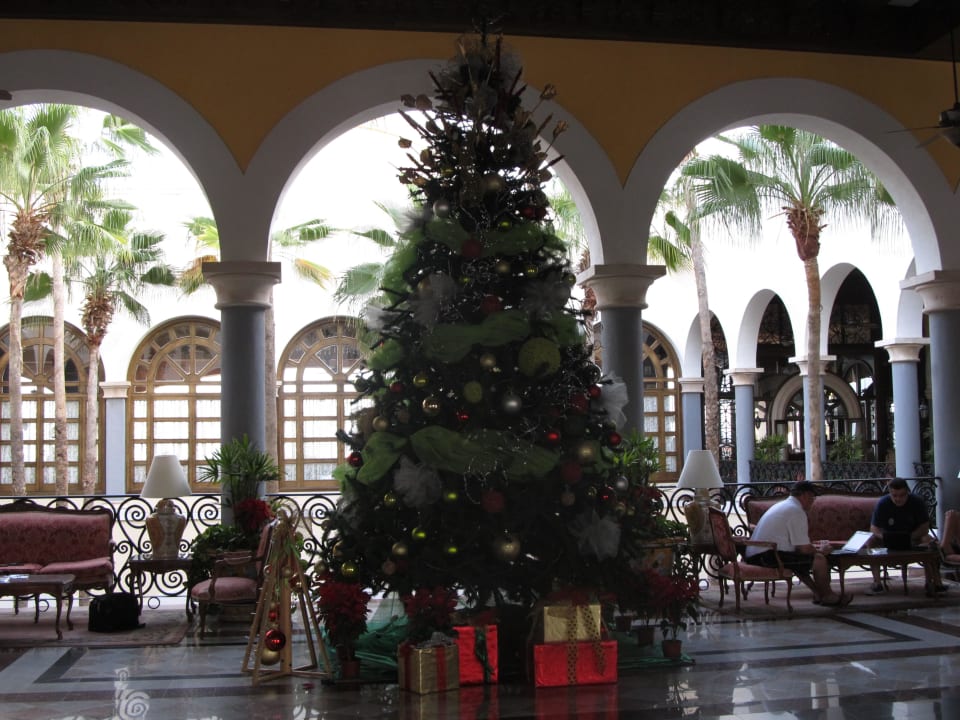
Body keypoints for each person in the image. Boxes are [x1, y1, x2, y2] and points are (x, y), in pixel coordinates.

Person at [745, 481, 852, 606]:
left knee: (797, 561)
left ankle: (818, 593)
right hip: (766, 556)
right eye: (813, 497)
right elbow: (804, 549)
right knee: (819, 559)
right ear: (805, 495)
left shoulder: (784, 505)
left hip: (755, 554)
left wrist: (813, 549)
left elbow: (799, 548)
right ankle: (828, 596)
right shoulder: (796, 511)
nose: (813, 501)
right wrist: (821, 551)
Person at [865, 478, 939, 595]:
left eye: (902, 495)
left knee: (928, 541)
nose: (898, 499)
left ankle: (932, 582)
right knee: (871, 541)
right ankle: (877, 583)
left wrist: (910, 536)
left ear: (907, 492)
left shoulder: (917, 502)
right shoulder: (883, 503)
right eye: (894, 496)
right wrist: (884, 537)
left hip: (913, 538)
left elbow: (924, 527)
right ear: (890, 493)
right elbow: (873, 529)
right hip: (887, 540)